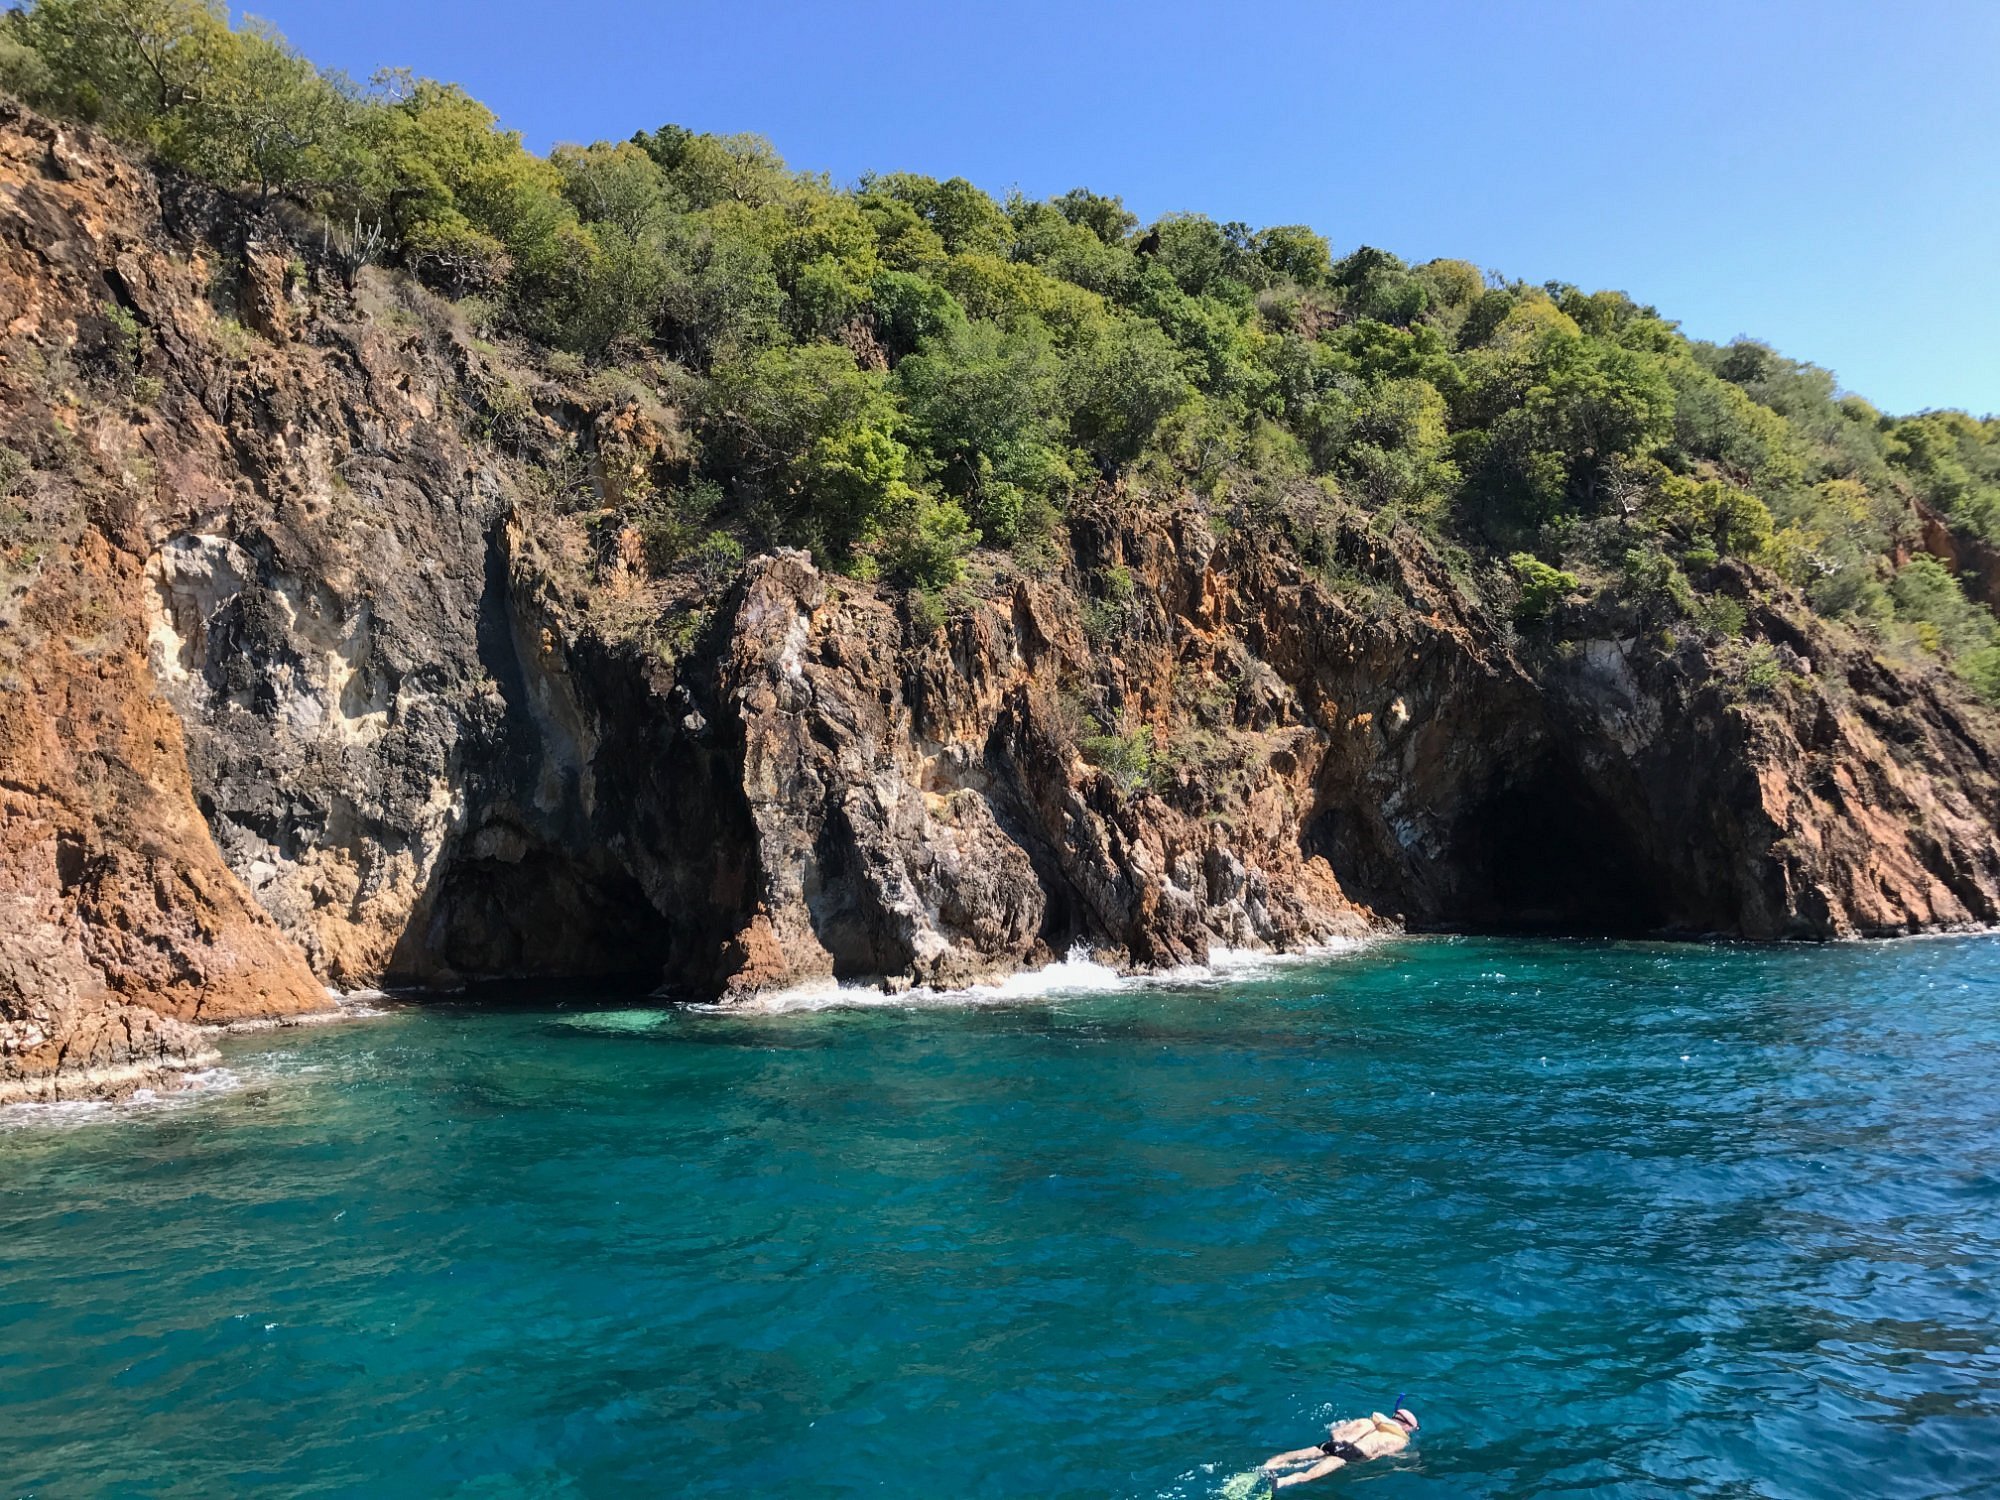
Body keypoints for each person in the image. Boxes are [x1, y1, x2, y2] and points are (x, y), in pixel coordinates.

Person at [1260, 1406, 1417, 1488]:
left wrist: (1338, 1443)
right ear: (1406, 1426)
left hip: (1333, 1444)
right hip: (1351, 1453)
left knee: (1288, 1457)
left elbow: (1336, 1431)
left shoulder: (1366, 1421)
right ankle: (1280, 1482)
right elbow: (1376, 1456)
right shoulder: (1398, 1440)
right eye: (1413, 1428)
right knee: (1308, 1475)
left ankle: (1265, 1468)